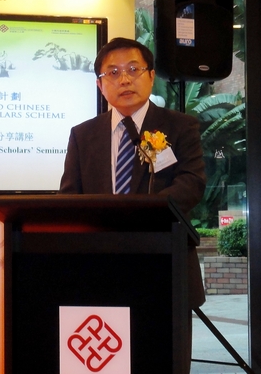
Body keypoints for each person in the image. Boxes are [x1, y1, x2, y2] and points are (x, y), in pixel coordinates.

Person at [59, 36, 206, 372]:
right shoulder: (83, 135)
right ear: (100, 85)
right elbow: (70, 196)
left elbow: (191, 183)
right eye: (112, 73)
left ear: (151, 76)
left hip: (166, 267)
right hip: (99, 271)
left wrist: (139, 214)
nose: (123, 79)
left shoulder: (180, 126)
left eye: (133, 69)